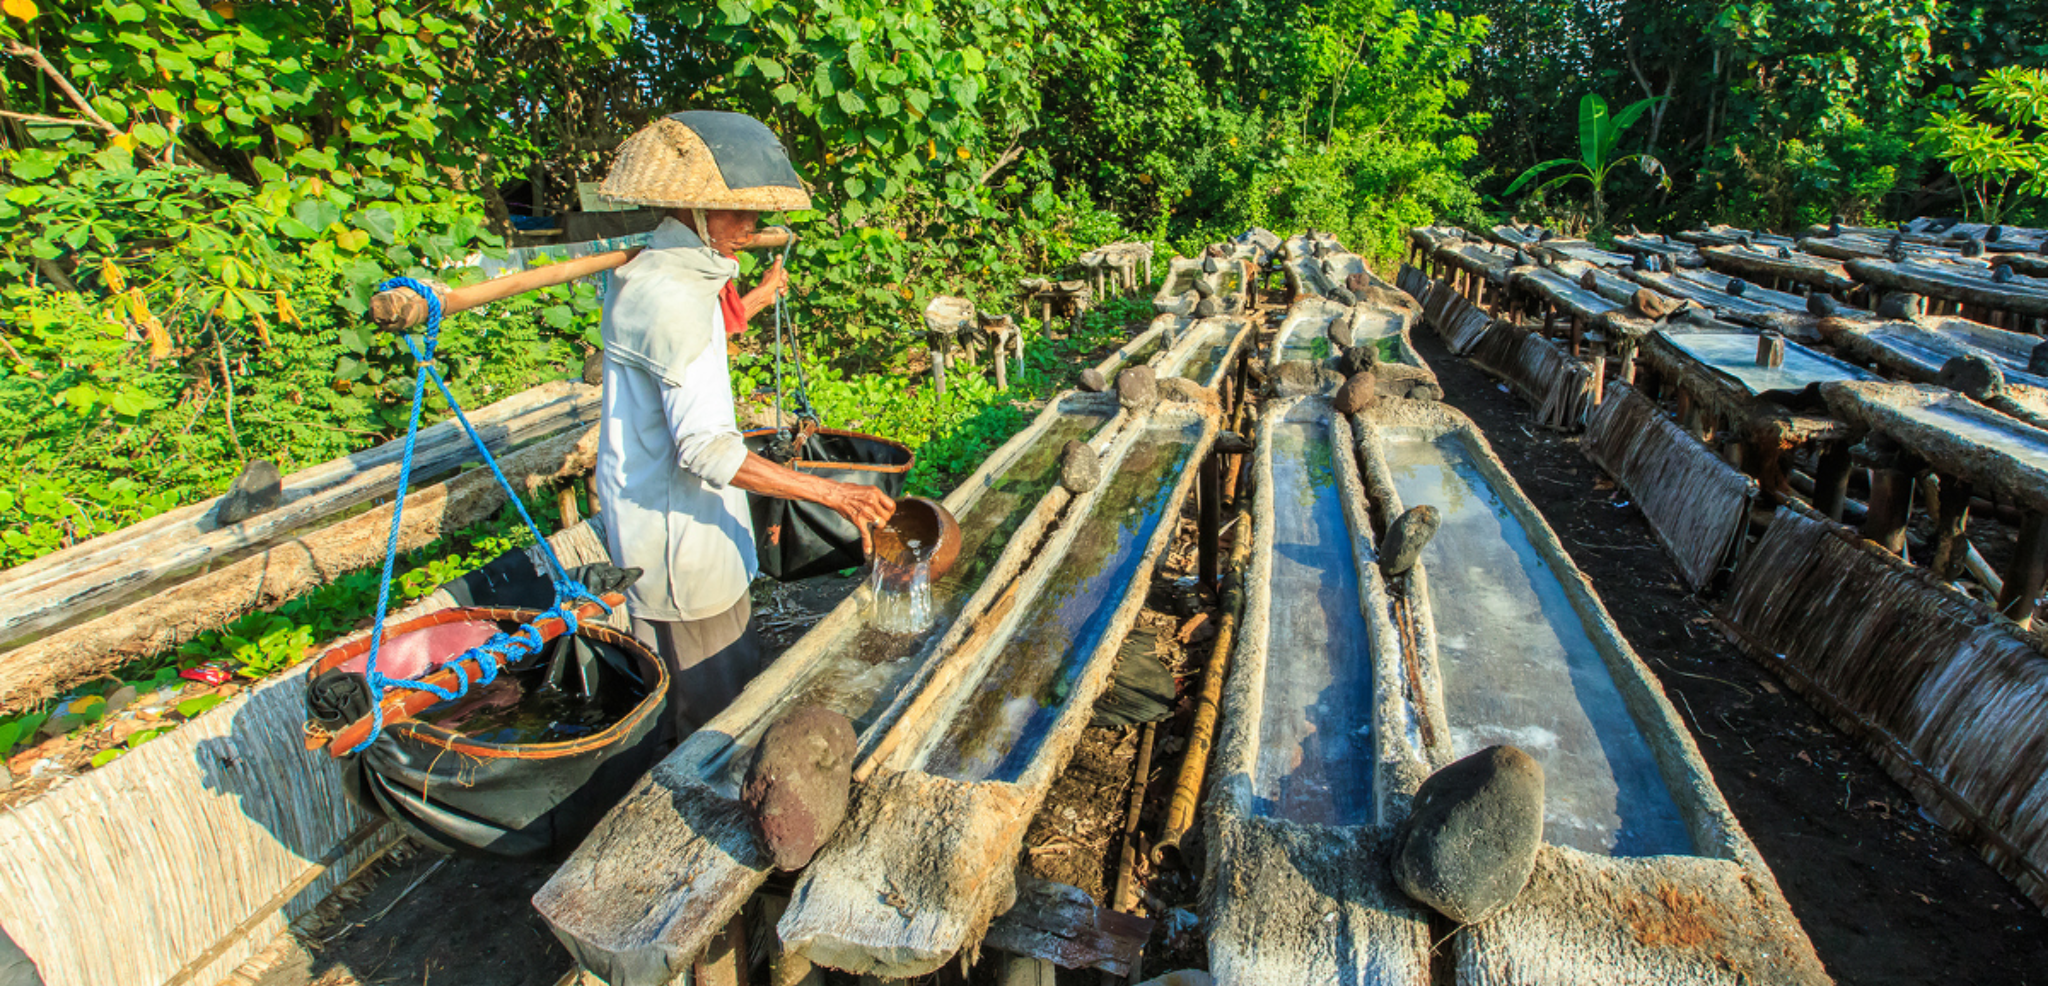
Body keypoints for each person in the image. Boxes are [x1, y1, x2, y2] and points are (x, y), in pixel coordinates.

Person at [594, 111, 894, 734]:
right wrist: (833, 491)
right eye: (740, 214)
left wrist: (751, 296)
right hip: (679, 542)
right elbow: (706, 450)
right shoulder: (677, 299)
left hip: (657, 520)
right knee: (710, 716)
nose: (752, 228)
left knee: (696, 688)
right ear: (693, 210)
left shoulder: (649, 276)